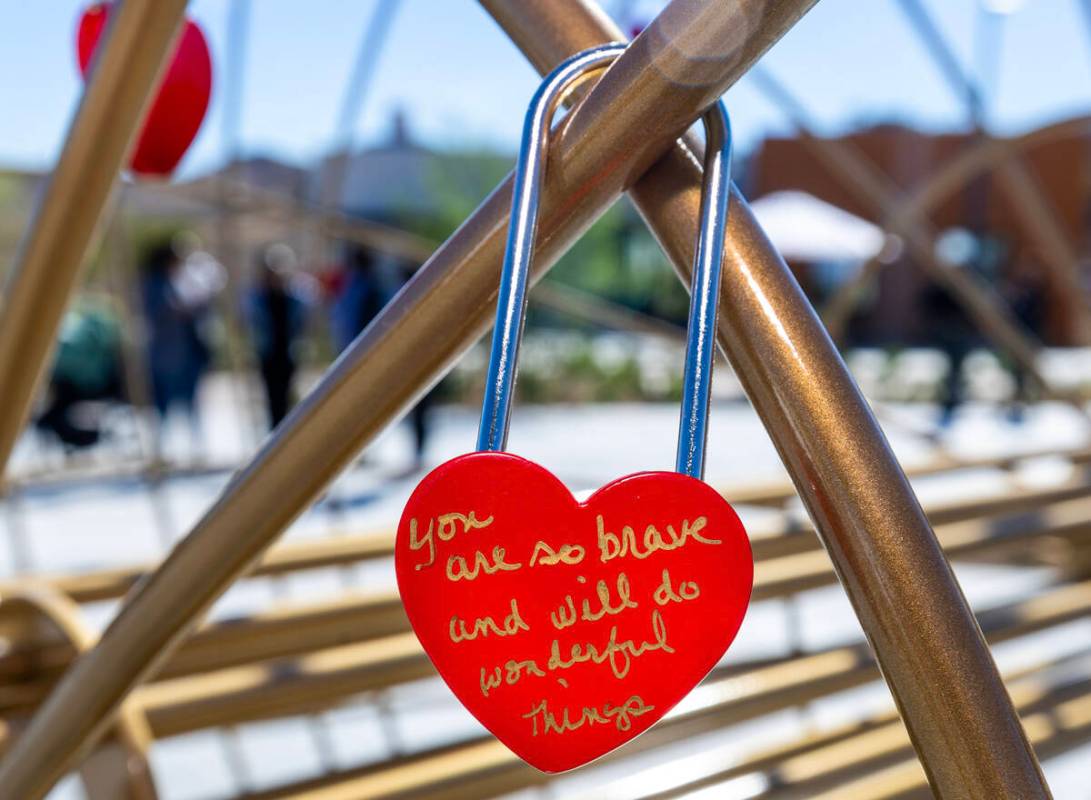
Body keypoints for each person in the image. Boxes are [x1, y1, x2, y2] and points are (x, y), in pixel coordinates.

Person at [140, 236, 222, 443]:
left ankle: (197, 444)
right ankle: (159, 446)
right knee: (163, 405)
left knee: (192, 402)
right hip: (166, 354)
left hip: (188, 352)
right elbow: (161, 311)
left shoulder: (179, 280)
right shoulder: (154, 283)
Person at [36, 297, 124, 449]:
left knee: (53, 416)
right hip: (87, 385)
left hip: (86, 386)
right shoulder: (80, 335)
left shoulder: (75, 339)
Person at [245, 244, 310, 429]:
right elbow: (251, 321)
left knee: (290, 397)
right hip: (269, 353)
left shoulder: (295, 295)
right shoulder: (259, 296)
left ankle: (289, 433)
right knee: (272, 399)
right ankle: (275, 434)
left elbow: (305, 316)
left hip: (289, 353)